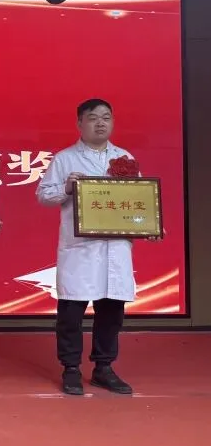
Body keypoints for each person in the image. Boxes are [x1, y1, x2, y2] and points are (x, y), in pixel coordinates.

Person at [36, 98, 139, 396]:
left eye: (106, 117)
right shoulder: (65, 159)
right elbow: (43, 195)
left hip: (114, 248)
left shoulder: (125, 157)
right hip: (80, 249)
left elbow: (138, 201)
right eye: (93, 118)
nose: (100, 123)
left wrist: (149, 226)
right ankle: (70, 368)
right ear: (80, 123)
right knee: (71, 312)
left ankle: (103, 368)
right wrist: (66, 188)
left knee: (111, 311)